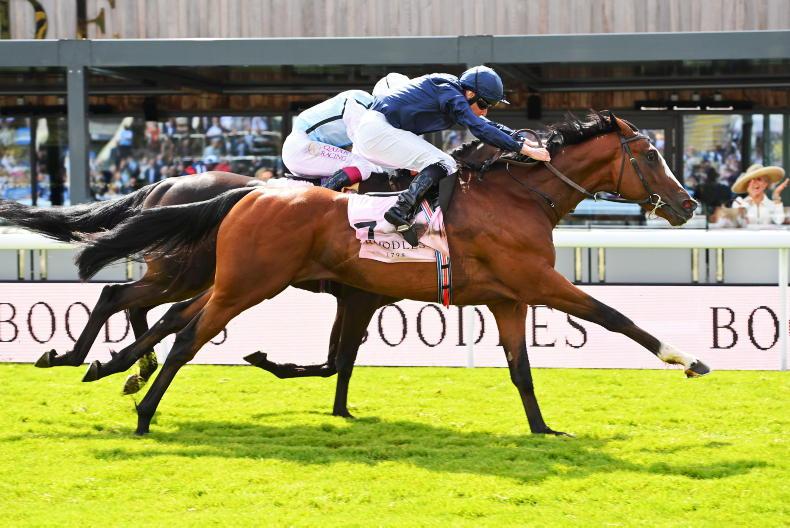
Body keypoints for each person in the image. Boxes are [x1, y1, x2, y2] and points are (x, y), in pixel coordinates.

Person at [352, 65, 551, 244]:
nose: (485, 112)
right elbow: (479, 128)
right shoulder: (448, 91)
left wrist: (521, 140)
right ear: (470, 93)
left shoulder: (453, 92)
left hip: (379, 130)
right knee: (445, 162)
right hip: (377, 129)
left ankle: (406, 214)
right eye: (484, 105)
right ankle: (400, 211)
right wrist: (522, 149)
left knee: (441, 164)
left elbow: (486, 124)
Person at [282, 90, 384, 191]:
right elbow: (364, 147)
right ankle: (321, 196)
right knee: (363, 166)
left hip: (301, 149)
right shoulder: (361, 104)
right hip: (302, 148)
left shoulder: (368, 106)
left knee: (362, 166)